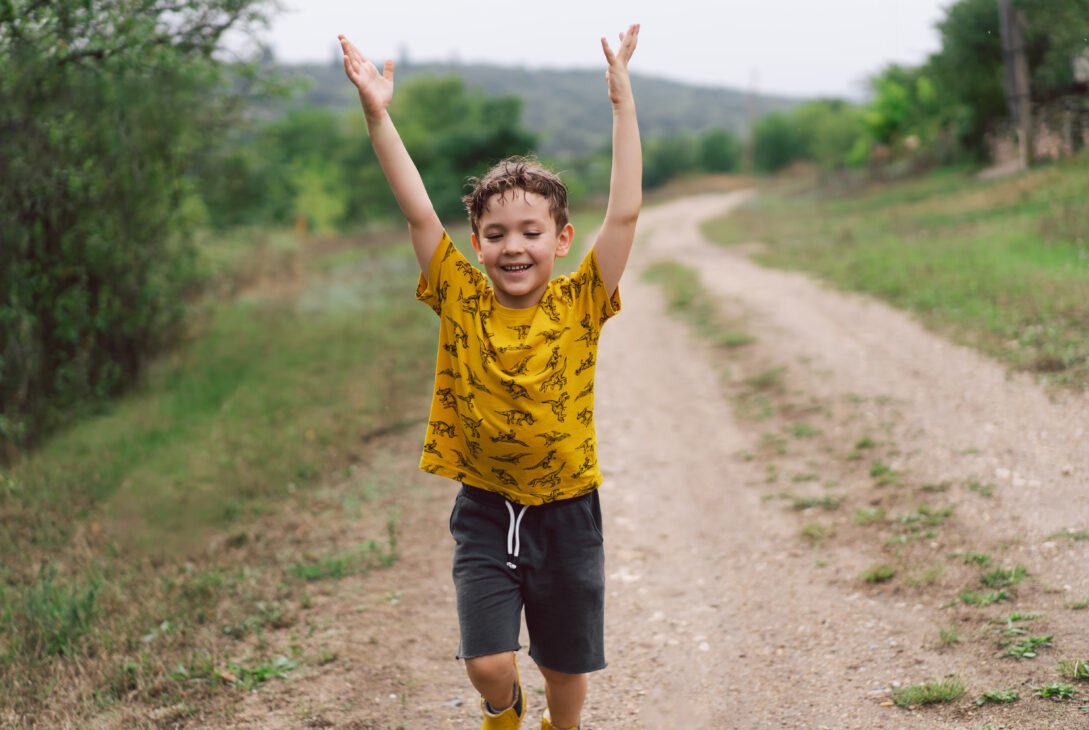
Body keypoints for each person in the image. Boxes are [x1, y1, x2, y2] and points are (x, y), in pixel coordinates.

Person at [338, 23, 641, 730]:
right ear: (475, 243)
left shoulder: (581, 299)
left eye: (531, 233)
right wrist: (378, 115)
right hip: (486, 509)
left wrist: (622, 103)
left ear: (561, 241)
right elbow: (416, 209)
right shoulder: (459, 293)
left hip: (568, 512)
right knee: (487, 664)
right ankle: (503, 713)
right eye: (496, 234)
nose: (513, 247)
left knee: (566, 671)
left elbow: (623, 210)